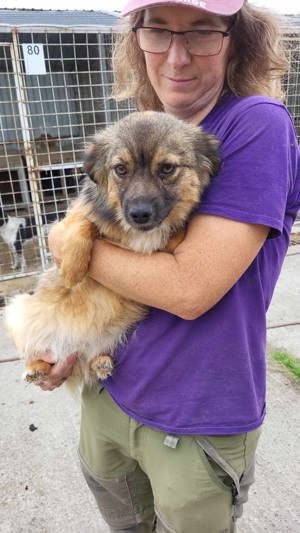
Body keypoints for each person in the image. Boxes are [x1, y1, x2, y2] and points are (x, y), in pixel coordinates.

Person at [40, 0, 300, 531]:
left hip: (195, 416)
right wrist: (68, 337)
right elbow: (87, 220)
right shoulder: (140, 126)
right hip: (108, 389)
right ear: (137, 40)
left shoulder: (253, 123)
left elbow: (188, 289)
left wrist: (69, 246)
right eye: (158, 31)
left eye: (202, 33)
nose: (177, 57)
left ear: (237, 39)